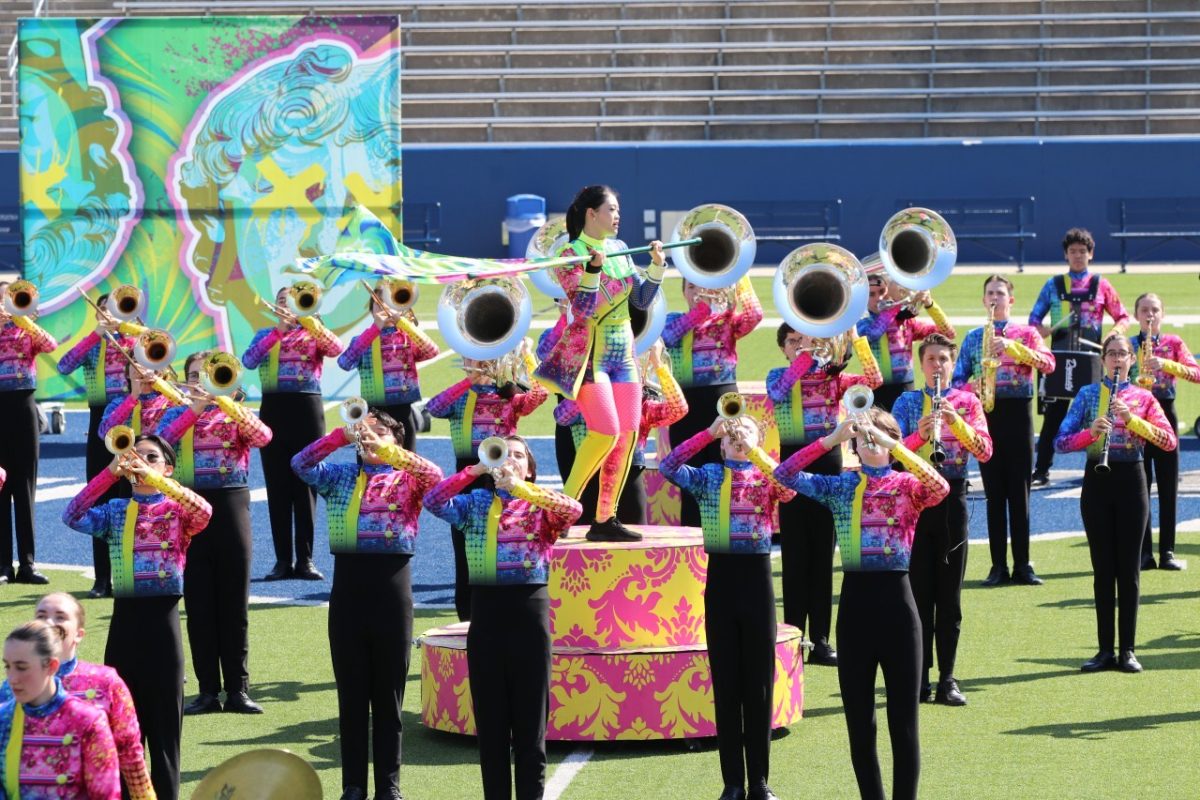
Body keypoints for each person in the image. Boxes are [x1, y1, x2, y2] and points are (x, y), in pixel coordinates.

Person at [775, 410, 949, 800]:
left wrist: (894, 445)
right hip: (854, 610)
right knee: (860, 722)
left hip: (900, 611)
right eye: (865, 435)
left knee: (903, 722)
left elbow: (940, 487)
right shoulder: (841, 486)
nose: (871, 439)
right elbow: (783, 476)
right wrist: (830, 439)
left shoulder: (907, 485)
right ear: (854, 444)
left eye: (881, 434)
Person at [293, 408, 442, 800]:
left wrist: (391, 453)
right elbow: (300, 463)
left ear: (397, 441)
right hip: (348, 592)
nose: (370, 437)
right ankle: (353, 786)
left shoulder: (408, 480)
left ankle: (389, 787)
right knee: (352, 696)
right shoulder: (341, 476)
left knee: (389, 698)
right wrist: (341, 435)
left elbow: (436, 477)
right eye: (366, 433)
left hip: (393, 592)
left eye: (380, 432)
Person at [423, 436, 583, 800]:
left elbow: (573, 510)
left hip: (530, 616)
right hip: (487, 616)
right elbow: (433, 500)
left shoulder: (541, 507)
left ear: (529, 467)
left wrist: (522, 489)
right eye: (502, 454)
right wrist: (475, 469)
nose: (509, 460)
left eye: (517, 455)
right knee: (492, 730)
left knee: (530, 730)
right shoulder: (476, 504)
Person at [62, 434, 212, 800]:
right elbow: (72, 515)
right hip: (124, 626)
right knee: (123, 732)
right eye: (136, 456)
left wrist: (158, 481)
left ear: (168, 467)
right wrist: (110, 472)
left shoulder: (177, 512)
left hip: (164, 625)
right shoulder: (115, 511)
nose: (141, 462)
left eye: (151, 457)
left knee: (164, 735)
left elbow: (204, 512)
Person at [660, 414, 795, 800]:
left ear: (760, 441)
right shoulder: (708, 477)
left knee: (759, 687)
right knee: (727, 685)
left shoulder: (767, 477)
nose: (739, 437)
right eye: (733, 435)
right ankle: (732, 782)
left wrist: (755, 452)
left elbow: (789, 488)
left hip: (757, 584)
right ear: (721, 445)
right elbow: (669, 466)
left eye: (747, 432)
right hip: (720, 583)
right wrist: (709, 431)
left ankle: (760, 782)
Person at [534, 184, 665, 543]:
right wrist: (592, 271)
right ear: (592, 214)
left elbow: (640, 298)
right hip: (592, 355)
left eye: (618, 210)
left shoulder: (621, 249)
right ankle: (562, 509)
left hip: (625, 354)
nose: (618, 216)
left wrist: (656, 269)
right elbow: (584, 310)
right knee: (605, 431)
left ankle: (605, 518)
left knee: (626, 435)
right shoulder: (569, 253)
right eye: (611, 209)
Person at [156, 351, 272, 716]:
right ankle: (207, 690)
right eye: (194, 375)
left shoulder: (235, 413)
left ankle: (238, 689)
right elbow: (163, 440)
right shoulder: (175, 414)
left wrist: (226, 402)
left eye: (208, 375)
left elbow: (264, 436)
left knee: (234, 604)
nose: (201, 381)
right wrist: (195, 407)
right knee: (200, 603)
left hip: (232, 506)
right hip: (187, 507)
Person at [1055, 334, 1177, 673]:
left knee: (1129, 570)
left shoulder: (1144, 397)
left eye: (1123, 353)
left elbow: (1168, 441)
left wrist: (1133, 420)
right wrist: (1090, 434)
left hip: (1132, 481)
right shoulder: (1088, 395)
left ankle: (1128, 650)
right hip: (1097, 482)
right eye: (1112, 353)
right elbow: (1059, 442)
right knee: (1103, 569)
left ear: (1132, 359)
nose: (1118, 359)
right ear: (1104, 359)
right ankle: (1104, 650)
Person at [766, 325, 881, 665]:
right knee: (794, 556)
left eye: (806, 338)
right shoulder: (778, 374)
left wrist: (854, 335)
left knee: (822, 554)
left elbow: (873, 380)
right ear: (784, 348)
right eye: (792, 340)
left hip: (828, 461)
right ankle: (793, 637)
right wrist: (805, 355)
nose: (800, 344)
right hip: (792, 460)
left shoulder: (835, 378)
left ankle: (820, 640)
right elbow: (777, 393)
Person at [892, 334, 993, 706]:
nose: (938, 365)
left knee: (949, 598)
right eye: (931, 359)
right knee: (917, 596)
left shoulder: (967, 401)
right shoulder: (905, 401)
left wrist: (957, 424)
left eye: (944, 360)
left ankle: (947, 678)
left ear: (953, 365)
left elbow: (985, 451)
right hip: (916, 502)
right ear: (922, 364)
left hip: (953, 500)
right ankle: (918, 677)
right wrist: (920, 435)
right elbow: (891, 457)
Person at [426, 344, 546, 620]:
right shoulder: (460, 397)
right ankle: (467, 615)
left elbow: (540, 394)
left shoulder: (510, 396)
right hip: (466, 476)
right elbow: (434, 408)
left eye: (488, 356)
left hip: (504, 481)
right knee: (464, 549)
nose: (479, 361)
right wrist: (468, 382)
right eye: (473, 355)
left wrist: (526, 355)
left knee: (506, 542)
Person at [953, 275, 1055, 587]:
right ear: (984, 301)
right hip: (986, 417)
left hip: (1019, 416)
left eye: (1000, 293)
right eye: (990, 294)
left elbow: (1049, 364)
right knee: (994, 494)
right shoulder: (973, 337)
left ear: (1011, 300)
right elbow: (957, 381)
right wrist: (977, 385)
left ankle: (1023, 565)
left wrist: (1014, 348)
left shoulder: (1026, 333)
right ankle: (998, 566)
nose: (995, 298)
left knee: (1020, 494)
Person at [0, 593, 155, 799]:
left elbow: (130, 754)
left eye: (60, 616)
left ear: (79, 633)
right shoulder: (9, 689)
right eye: (41, 615)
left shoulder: (105, 682)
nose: (49, 622)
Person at [242, 286, 343, 582]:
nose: (288, 306)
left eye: (294, 302)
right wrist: (278, 331)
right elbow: (248, 361)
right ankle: (282, 560)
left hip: (307, 410)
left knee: (306, 487)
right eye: (283, 301)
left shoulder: (315, 331)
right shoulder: (264, 335)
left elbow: (336, 349)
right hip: (273, 410)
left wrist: (309, 320)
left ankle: (306, 559)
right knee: (278, 487)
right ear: (275, 306)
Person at [1029, 228, 1130, 487]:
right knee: (1054, 416)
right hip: (1060, 360)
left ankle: (1100, 461)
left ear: (1091, 254)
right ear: (1066, 254)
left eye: (1082, 251)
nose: (1077, 256)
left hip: (1092, 359)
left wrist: (1113, 335)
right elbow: (1033, 321)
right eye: (1072, 251)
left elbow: (1123, 317)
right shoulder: (1053, 284)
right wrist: (1041, 330)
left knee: (1099, 412)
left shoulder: (1102, 285)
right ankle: (1041, 470)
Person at [57, 293, 139, 598]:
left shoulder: (136, 341)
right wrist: (96, 335)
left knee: (133, 497)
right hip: (100, 422)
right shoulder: (93, 343)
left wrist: (127, 332)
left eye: (115, 310)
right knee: (99, 493)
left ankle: (131, 573)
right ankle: (102, 579)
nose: (109, 315)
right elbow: (65, 366)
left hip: (134, 418)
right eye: (103, 310)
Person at [663, 276, 762, 528]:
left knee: (728, 472)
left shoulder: (727, 322)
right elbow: (669, 337)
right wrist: (702, 311)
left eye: (703, 285)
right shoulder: (673, 320)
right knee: (689, 478)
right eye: (691, 286)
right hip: (686, 407)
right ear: (683, 292)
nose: (698, 292)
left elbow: (755, 315)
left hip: (724, 400)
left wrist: (738, 275)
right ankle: (692, 541)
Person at [554, 340, 687, 526]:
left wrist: (658, 365)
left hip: (629, 479)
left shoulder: (643, 406)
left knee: (635, 547)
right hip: (588, 479)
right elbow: (561, 416)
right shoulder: (586, 396)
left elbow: (678, 409)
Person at [0, 620, 120, 800]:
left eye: (22, 667)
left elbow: (106, 795)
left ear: (52, 666)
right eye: (8, 667)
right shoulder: (3, 719)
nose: (12, 678)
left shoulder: (88, 722)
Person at [1128, 293, 1199, 571]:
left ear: (1162, 314)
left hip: (1165, 415)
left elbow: (1196, 373)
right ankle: (1144, 553)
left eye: (1155, 310)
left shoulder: (1173, 343)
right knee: (1139, 489)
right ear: (1136, 315)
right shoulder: (1128, 345)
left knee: (1169, 486)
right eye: (1144, 310)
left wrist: (1166, 364)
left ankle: (1167, 551)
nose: (1150, 314)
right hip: (1134, 418)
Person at [0, 282, 58, 585]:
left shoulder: (27, 329)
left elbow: (51, 345)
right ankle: (2, 566)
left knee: (25, 487)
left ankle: (28, 564)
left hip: (23, 405)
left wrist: (21, 318)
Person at [337, 286, 440, 451]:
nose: (384, 306)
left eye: (388, 302)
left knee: (405, 466)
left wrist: (402, 322)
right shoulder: (362, 339)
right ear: (371, 311)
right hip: (372, 414)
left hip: (403, 411)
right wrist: (375, 328)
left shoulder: (406, 337)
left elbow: (432, 350)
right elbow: (344, 363)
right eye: (378, 303)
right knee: (369, 465)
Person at [856, 277, 955, 411]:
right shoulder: (862, 324)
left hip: (905, 387)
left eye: (882, 291)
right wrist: (896, 306)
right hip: (877, 390)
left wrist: (930, 304)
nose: (879, 298)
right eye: (871, 294)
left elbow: (948, 333)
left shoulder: (906, 323)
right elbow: (873, 334)